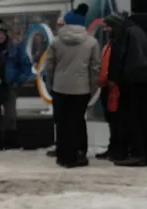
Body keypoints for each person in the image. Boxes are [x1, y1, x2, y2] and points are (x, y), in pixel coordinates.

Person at [43, 9, 101, 168]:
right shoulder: (91, 42)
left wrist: (51, 85)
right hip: (81, 89)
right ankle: (77, 154)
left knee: (62, 122)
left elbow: (49, 66)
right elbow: (95, 68)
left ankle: (63, 156)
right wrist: (92, 88)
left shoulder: (56, 41)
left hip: (60, 87)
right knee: (77, 121)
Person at [106, 11, 147, 167]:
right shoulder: (136, 30)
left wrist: (116, 79)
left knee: (133, 118)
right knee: (139, 117)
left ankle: (138, 153)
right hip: (139, 80)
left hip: (132, 81)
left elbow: (121, 57)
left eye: (109, 25)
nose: (107, 29)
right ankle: (139, 152)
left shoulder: (127, 33)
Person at [0, 24, 34, 150]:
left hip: (10, 85)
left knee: (10, 115)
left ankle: (10, 141)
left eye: (2, 34)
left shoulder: (15, 48)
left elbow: (26, 65)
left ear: (6, 35)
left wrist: (19, 80)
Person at [96, 22, 124, 162]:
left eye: (108, 26)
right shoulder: (109, 45)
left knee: (116, 119)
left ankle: (118, 149)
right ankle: (113, 147)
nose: (106, 29)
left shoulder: (117, 45)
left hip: (114, 86)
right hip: (106, 86)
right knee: (111, 119)